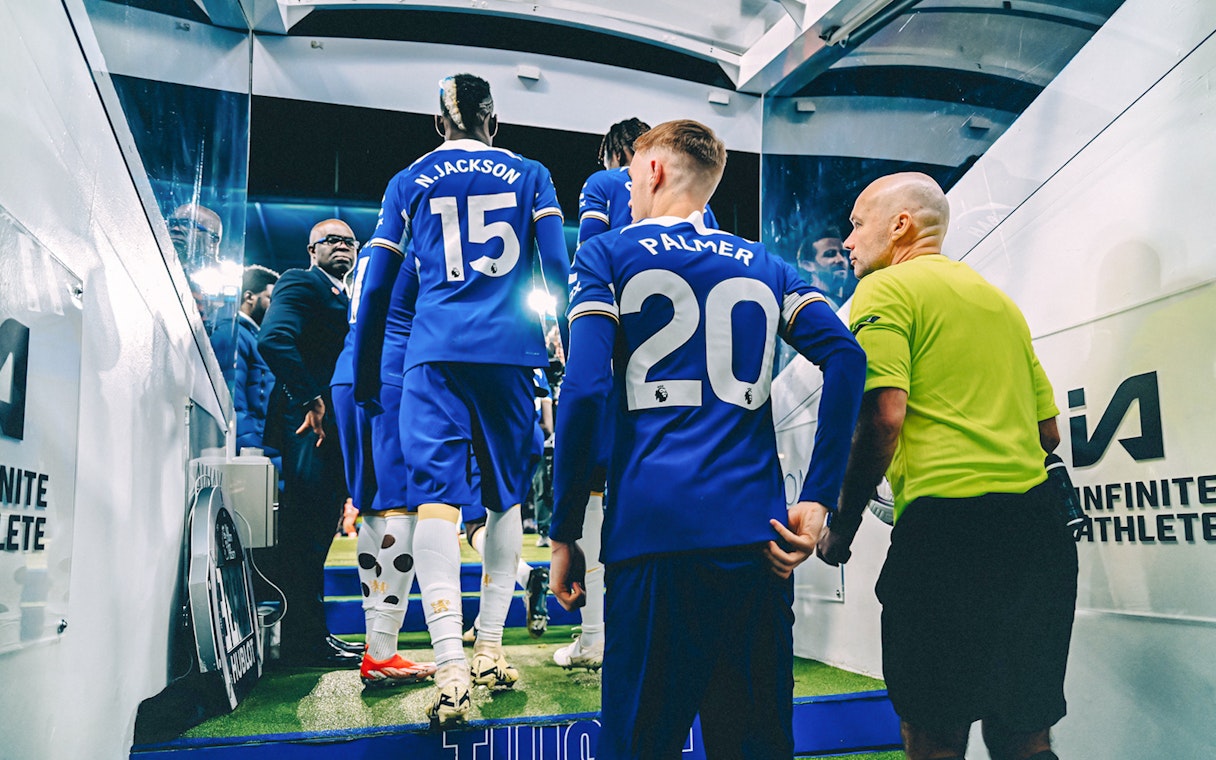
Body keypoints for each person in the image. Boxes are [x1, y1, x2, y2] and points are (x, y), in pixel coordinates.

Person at [550, 120, 866, 759]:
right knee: (753, 745)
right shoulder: (766, 265)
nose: (630, 191)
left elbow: (583, 391)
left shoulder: (606, 254)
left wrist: (564, 533)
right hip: (758, 541)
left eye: (634, 176)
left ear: (656, 171)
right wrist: (819, 497)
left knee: (642, 742)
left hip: (652, 537)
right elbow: (847, 360)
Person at [816, 172, 1076, 760]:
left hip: (947, 537)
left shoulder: (883, 291)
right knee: (1025, 737)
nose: (850, 242)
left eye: (857, 224)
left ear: (900, 224)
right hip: (1036, 536)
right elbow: (1048, 432)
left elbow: (883, 417)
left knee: (932, 736)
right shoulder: (997, 301)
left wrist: (844, 526)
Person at [350, 73, 570, 727]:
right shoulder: (531, 173)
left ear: (438, 124)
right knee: (505, 499)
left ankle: (448, 665)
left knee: (436, 504)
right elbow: (555, 272)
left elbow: (377, 288)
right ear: (492, 121)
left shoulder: (409, 179)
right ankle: (491, 647)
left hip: (432, 355)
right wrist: (558, 346)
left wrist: (367, 378)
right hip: (509, 354)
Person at [257, 218, 361, 668]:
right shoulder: (301, 283)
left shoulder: (344, 293)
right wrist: (310, 399)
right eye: (331, 240)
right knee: (304, 534)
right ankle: (302, 641)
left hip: (333, 429)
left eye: (349, 241)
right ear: (311, 250)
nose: (342, 246)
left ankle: (309, 635)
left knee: (318, 533)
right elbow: (274, 340)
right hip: (309, 427)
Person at [331, 246, 436, 688]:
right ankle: (381, 652)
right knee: (401, 508)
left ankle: (379, 648)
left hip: (348, 372)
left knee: (371, 507)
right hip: (390, 373)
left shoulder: (373, 249)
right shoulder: (414, 245)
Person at [576, 117, 718, 248]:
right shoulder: (696, 198)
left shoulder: (601, 180)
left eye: (604, 159)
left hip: (625, 269)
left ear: (616, 155)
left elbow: (589, 243)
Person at [229, 265, 281, 471]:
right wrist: (252, 451)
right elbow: (234, 401)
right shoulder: (235, 334)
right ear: (249, 297)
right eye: (270, 298)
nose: (275, 307)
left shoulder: (255, 338)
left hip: (263, 445)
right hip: (252, 451)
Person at [796, 225, 856, 306]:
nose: (840, 259)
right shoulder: (805, 304)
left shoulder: (858, 298)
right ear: (808, 265)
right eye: (830, 254)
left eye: (843, 253)